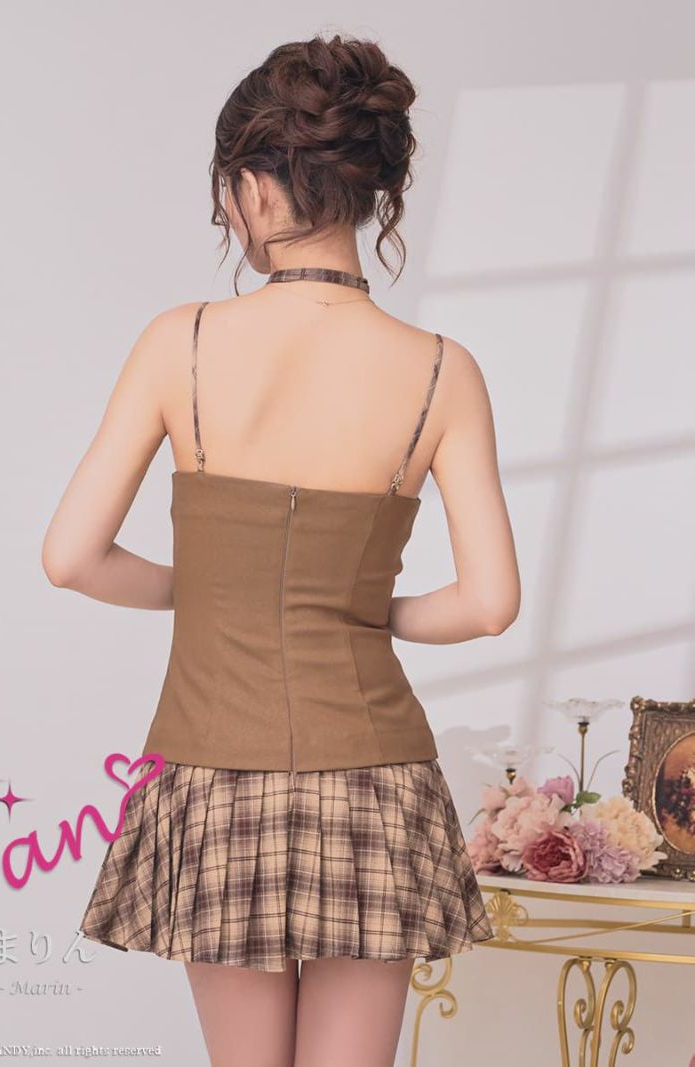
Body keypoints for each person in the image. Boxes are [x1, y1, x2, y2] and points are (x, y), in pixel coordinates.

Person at [42, 33, 520, 1067]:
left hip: (214, 766)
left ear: (253, 186)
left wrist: (211, 588)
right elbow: (488, 603)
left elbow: (72, 557)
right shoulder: (443, 369)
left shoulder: (180, 341)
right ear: (369, 189)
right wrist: (368, 609)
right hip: (375, 779)